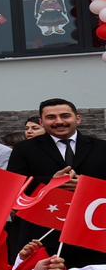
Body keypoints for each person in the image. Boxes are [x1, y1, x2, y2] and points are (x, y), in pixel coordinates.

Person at [6, 97, 106, 261]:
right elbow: (13, 186)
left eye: (65, 116)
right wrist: (50, 182)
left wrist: (87, 185)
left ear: (77, 119)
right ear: (42, 121)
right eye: (51, 117)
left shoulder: (101, 147)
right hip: (41, 233)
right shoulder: (24, 149)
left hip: (91, 231)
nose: (59, 121)